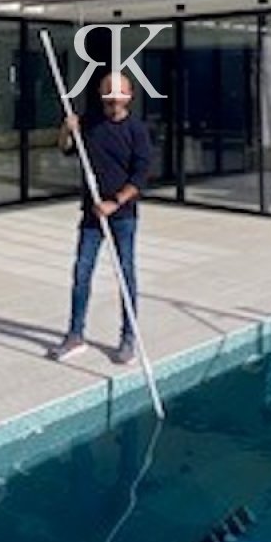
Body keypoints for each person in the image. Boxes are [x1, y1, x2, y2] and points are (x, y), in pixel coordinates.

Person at [48, 70, 152, 364]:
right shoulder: (90, 124)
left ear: (129, 96)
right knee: (82, 273)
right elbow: (66, 149)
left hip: (123, 216)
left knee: (125, 274)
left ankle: (128, 338)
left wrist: (114, 203)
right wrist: (67, 130)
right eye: (109, 95)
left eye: (118, 95)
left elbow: (140, 177)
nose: (113, 101)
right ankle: (75, 335)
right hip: (91, 215)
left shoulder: (137, 131)